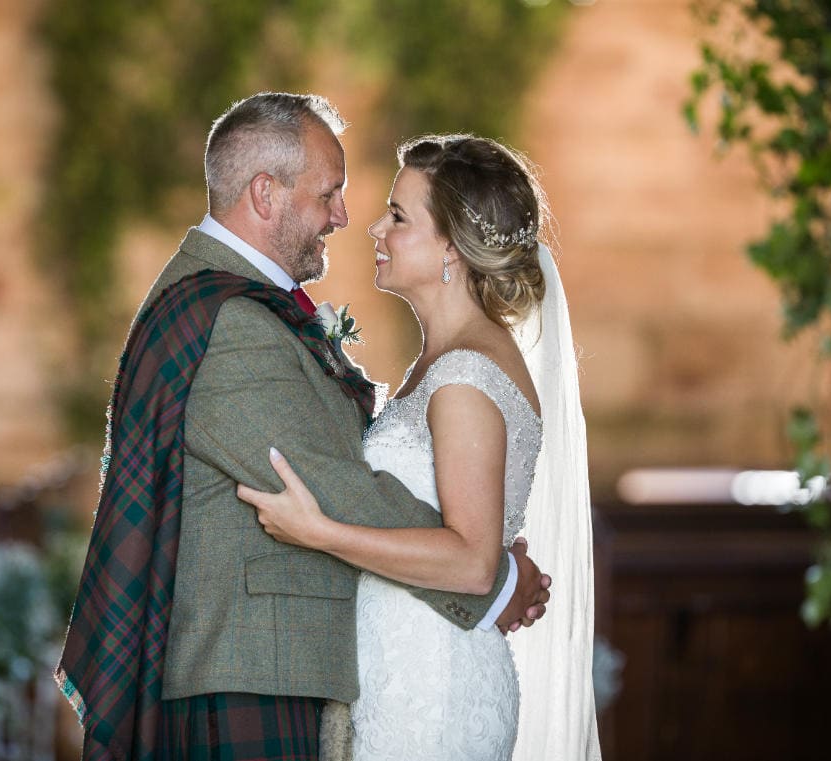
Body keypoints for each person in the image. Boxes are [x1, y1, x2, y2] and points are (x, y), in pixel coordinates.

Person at [55, 94, 552, 761]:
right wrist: (492, 581)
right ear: (266, 194)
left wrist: (477, 563)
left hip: (351, 669)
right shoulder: (228, 321)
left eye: (393, 214)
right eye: (330, 194)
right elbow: (330, 481)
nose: (348, 218)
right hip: (249, 671)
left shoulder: (240, 305)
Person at [236, 135, 601, 760]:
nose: (376, 228)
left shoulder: (464, 377)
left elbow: (470, 563)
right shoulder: (444, 363)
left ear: (452, 250)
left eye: (399, 217)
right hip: (404, 671)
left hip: (433, 689)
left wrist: (318, 531)